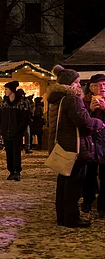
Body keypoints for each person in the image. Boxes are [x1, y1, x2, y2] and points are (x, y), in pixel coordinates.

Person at [47, 65, 104, 228]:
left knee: (64, 183)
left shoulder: (57, 98)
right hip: (75, 147)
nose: (79, 86)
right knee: (74, 184)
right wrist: (99, 122)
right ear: (69, 84)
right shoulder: (72, 99)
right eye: (77, 82)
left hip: (64, 145)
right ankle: (71, 217)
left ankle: (63, 216)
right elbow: (83, 121)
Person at [81, 73, 105, 218]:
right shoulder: (83, 101)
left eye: (104, 85)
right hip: (89, 142)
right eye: (98, 85)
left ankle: (103, 206)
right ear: (91, 87)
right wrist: (90, 110)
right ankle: (88, 200)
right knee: (88, 174)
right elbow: (81, 121)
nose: (102, 88)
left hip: (104, 142)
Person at [0, 81, 30, 181]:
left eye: (7, 89)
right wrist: (1, 129)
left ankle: (17, 171)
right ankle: (11, 170)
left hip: (17, 132)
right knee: (9, 152)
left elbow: (25, 118)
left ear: (12, 90)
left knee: (16, 152)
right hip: (6, 132)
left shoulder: (21, 102)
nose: (5, 91)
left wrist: (19, 129)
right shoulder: (3, 103)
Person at [16, 89, 33, 154]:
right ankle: (21, 147)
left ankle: (26, 148)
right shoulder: (18, 101)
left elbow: (29, 110)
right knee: (22, 135)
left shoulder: (25, 101)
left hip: (25, 120)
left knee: (26, 134)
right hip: (20, 120)